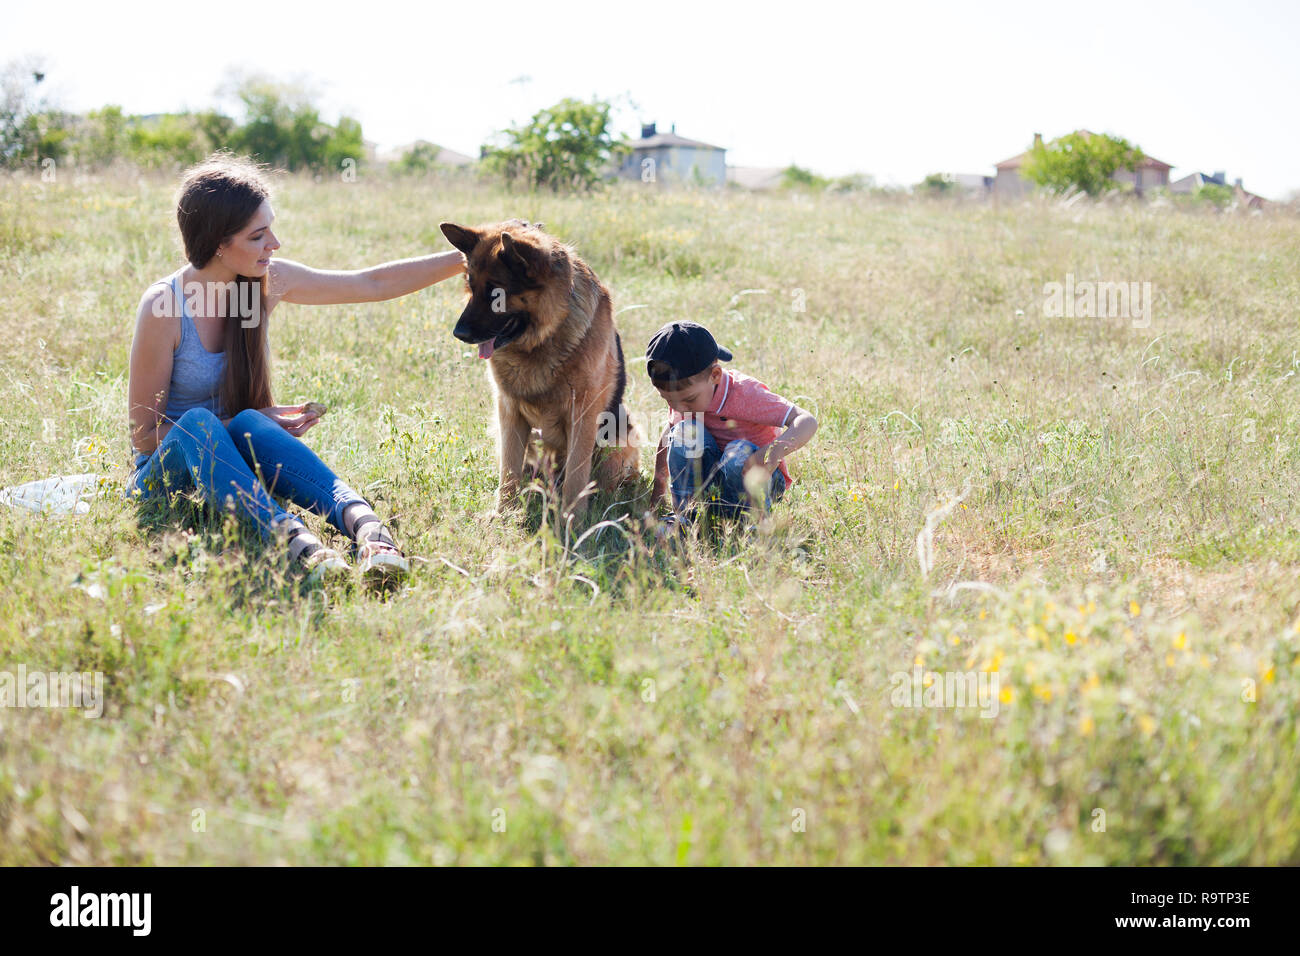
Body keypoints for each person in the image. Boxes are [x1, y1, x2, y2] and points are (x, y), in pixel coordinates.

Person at [125, 152, 465, 585]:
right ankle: (299, 545)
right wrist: (226, 424)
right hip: (165, 476)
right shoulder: (163, 307)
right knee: (199, 424)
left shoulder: (260, 285)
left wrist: (469, 255)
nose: (275, 244)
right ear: (217, 244)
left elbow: (371, 284)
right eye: (258, 235)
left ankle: (368, 529)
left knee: (247, 421)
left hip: (236, 470)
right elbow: (144, 435)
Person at [646, 321, 818, 532]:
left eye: (688, 400)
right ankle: (687, 517)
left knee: (738, 452)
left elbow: (806, 420)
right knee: (682, 433)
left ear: (715, 375)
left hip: (758, 480)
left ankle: (754, 524)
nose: (677, 407)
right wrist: (658, 488)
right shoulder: (682, 400)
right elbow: (669, 433)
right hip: (714, 485)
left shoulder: (745, 394)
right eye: (668, 400)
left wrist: (771, 453)